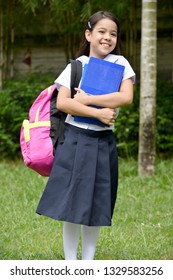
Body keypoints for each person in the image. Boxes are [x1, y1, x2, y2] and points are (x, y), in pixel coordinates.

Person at [36, 11, 135, 260]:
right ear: (88, 34)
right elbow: (65, 103)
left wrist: (89, 100)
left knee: (97, 203)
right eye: (101, 31)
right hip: (75, 139)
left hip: (104, 143)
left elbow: (125, 97)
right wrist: (98, 114)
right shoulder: (76, 66)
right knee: (72, 204)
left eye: (113, 33)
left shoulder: (120, 64)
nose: (107, 37)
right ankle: (72, 266)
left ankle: (87, 265)